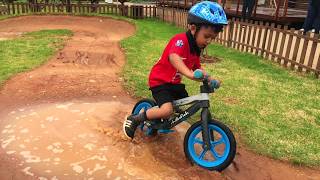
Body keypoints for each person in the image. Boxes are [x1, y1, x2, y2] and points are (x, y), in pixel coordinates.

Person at [123, 1, 227, 139]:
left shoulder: (195, 49)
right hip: (160, 82)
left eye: (212, 38)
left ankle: (162, 119)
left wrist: (209, 78)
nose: (208, 41)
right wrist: (190, 74)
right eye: (206, 36)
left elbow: (197, 67)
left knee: (184, 104)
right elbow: (174, 58)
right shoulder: (181, 40)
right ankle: (136, 118)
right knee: (167, 110)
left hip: (174, 84)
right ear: (193, 28)